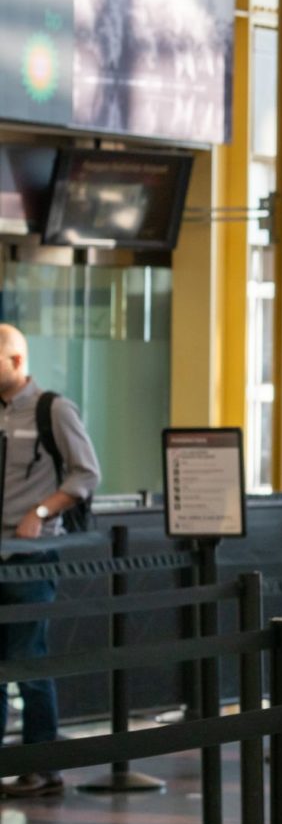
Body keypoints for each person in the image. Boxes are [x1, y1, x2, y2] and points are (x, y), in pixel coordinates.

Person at [0, 324, 101, 798]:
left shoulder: (52, 409)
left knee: (27, 658)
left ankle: (42, 766)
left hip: (31, 558)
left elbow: (87, 473)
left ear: (17, 362)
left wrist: (40, 512)